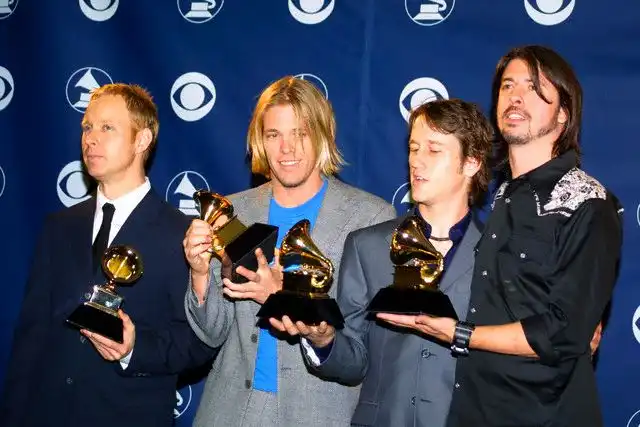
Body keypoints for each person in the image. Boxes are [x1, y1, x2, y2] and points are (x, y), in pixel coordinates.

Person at [378, 45, 623, 427]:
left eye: (534, 87)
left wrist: (460, 334)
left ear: (563, 112)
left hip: (546, 415)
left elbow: (563, 333)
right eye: (508, 85)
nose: (516, 96)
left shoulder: (588, 202)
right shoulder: (503, 195)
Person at [183, 76, 396, 427]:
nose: (287, 149)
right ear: (260, 141)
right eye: (274, 135)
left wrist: (286, 302)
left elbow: (362, 357)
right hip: (230, 412)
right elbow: (211, 332)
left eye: (301, 133)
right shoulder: (234, 211)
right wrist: (199, 272)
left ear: (324, 135)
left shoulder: (370, 218)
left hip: (316, 414)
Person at [1, 83, 215, 427]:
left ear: (142, 140)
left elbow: (198, 343)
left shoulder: (183, 236)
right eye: (87, 127)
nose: (91, 139)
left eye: (107, 128)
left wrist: (133, 349)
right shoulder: (59, 227)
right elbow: (31, 338)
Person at [271, 98, 494, 427]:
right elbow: (354, 359)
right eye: (414, 148)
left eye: (433, 150)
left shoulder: (498, 253)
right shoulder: (368, 246)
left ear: (472, 162)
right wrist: (323, 340)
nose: (417, 161)